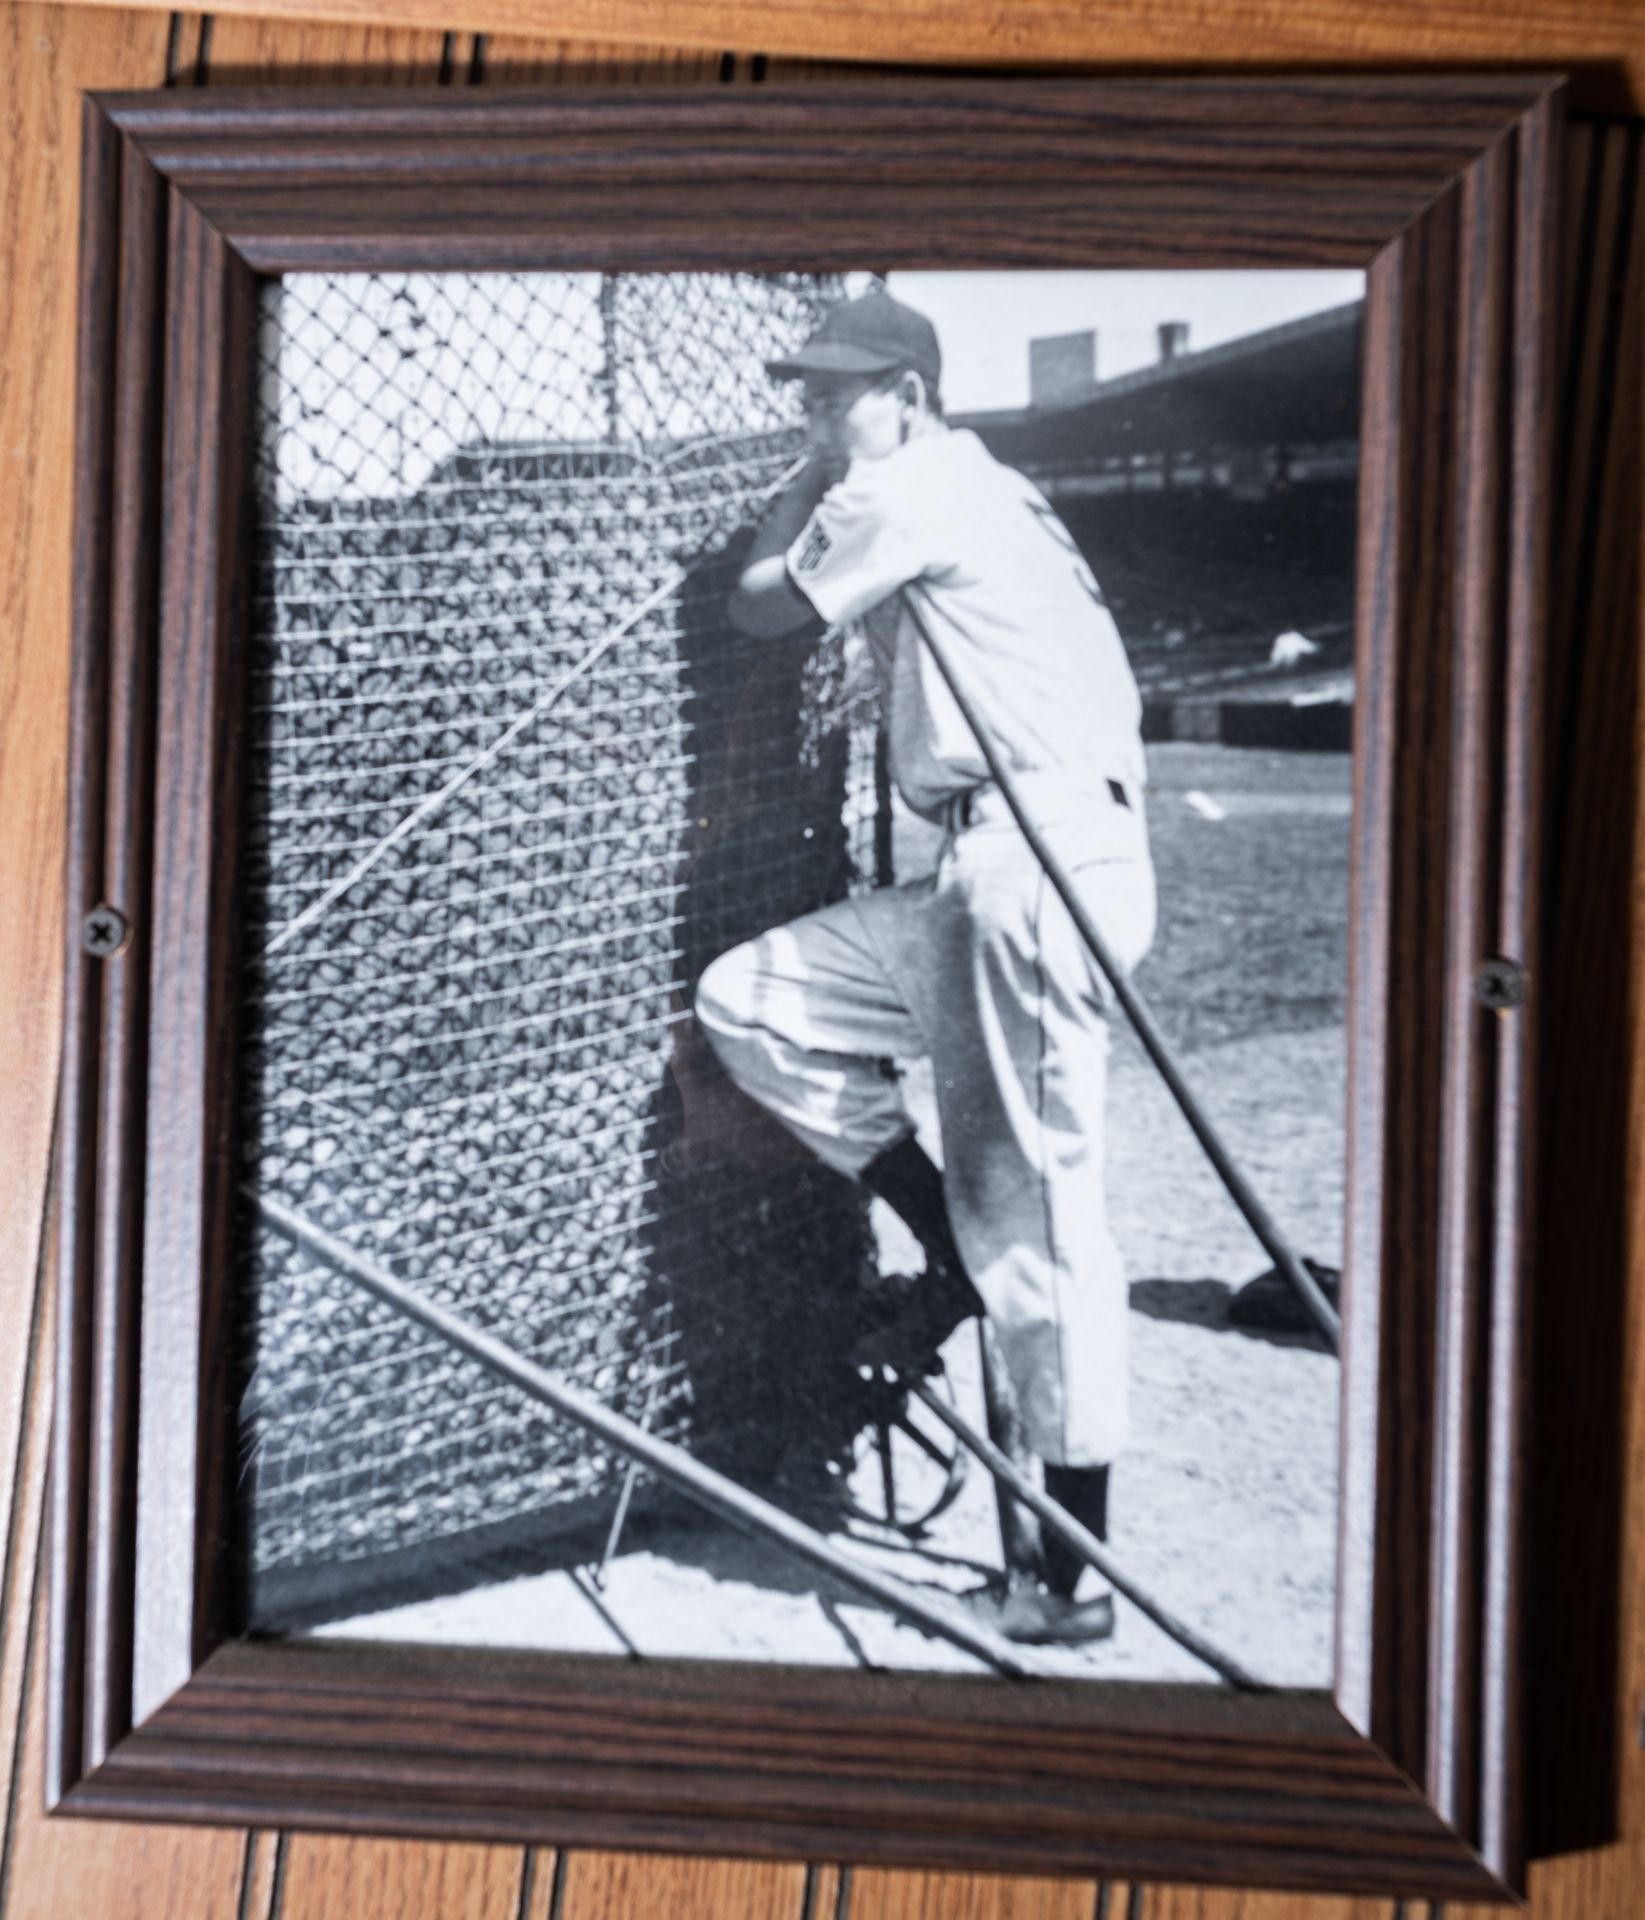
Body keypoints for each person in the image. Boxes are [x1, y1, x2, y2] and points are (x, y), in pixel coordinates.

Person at [693, 288, 1156, 1645]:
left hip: (1037, 860)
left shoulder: (917, 480)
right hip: (987, 861)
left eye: (837, 391)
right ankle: (940, 1226)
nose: (815, 413)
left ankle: (1069, 1579)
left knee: (1046, 1230)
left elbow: (755, 613)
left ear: (908, 390)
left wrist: (801, 486)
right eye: (807, 394)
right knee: (754, 1000)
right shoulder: (966, 485)